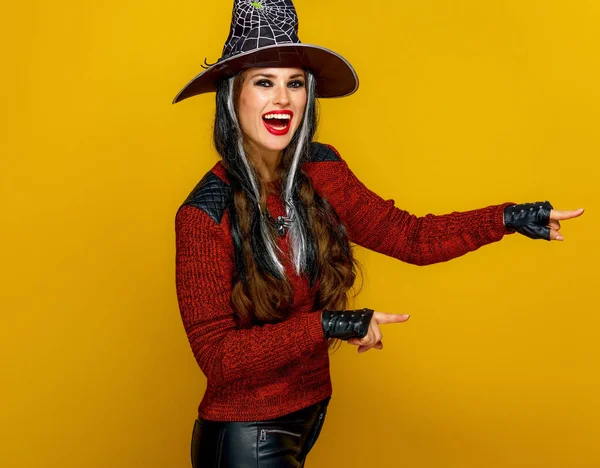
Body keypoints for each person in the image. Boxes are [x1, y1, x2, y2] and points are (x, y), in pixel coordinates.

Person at [172, 1, 585, 466]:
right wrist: (328, 324)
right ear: (233, 96)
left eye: (295, 84)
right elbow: (220, 357)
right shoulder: (204, 213)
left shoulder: (321, 168)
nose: (282, 100)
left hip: (308, 415)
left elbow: (409, 237)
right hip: (246, 434)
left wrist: (506, 218)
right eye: (264, 82)